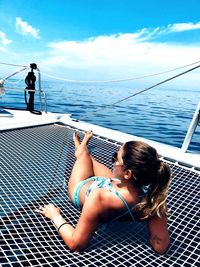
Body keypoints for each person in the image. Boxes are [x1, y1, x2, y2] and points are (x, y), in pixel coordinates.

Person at [35, 131, 172, 254]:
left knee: (84, 157)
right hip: (114, 184)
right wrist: (158, 216)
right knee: (90, 161)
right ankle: (83, 147)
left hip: (83, 187)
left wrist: (55, 216)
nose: (113, 162)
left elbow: (76, 244)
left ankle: (81, 148)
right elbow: (160, 246)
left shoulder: (98, 198)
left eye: (115, 158)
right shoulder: (153, 201)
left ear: (128, 173)